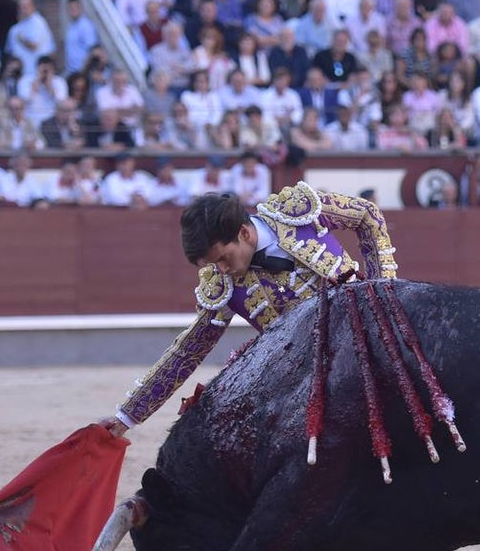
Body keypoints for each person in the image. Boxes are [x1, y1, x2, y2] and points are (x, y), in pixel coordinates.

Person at [96, 186, 398, 436]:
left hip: (372, 336)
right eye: (214, 265)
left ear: (244, 232)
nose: (222, 270)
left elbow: (367, 215)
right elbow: (187, 351)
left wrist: (382, 291)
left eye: (224, 259)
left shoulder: (297, 212)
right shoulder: (223, 287)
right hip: (314, 377)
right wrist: (127, 416)